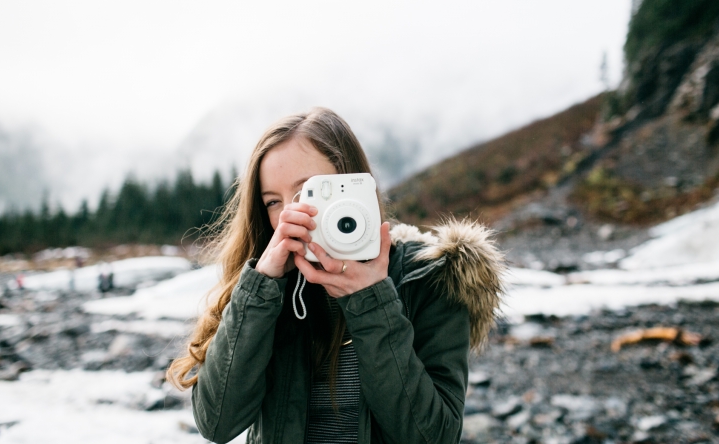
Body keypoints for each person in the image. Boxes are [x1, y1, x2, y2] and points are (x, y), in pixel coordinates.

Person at [166, 107, 505, 444]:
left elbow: (433, 437)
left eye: (306, 193)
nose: (288, 215)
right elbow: (216, 423)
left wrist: (372, 301)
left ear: (352, 185)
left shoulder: (429, 278)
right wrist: (260, 291)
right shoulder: (268, 287)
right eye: (273, 202)